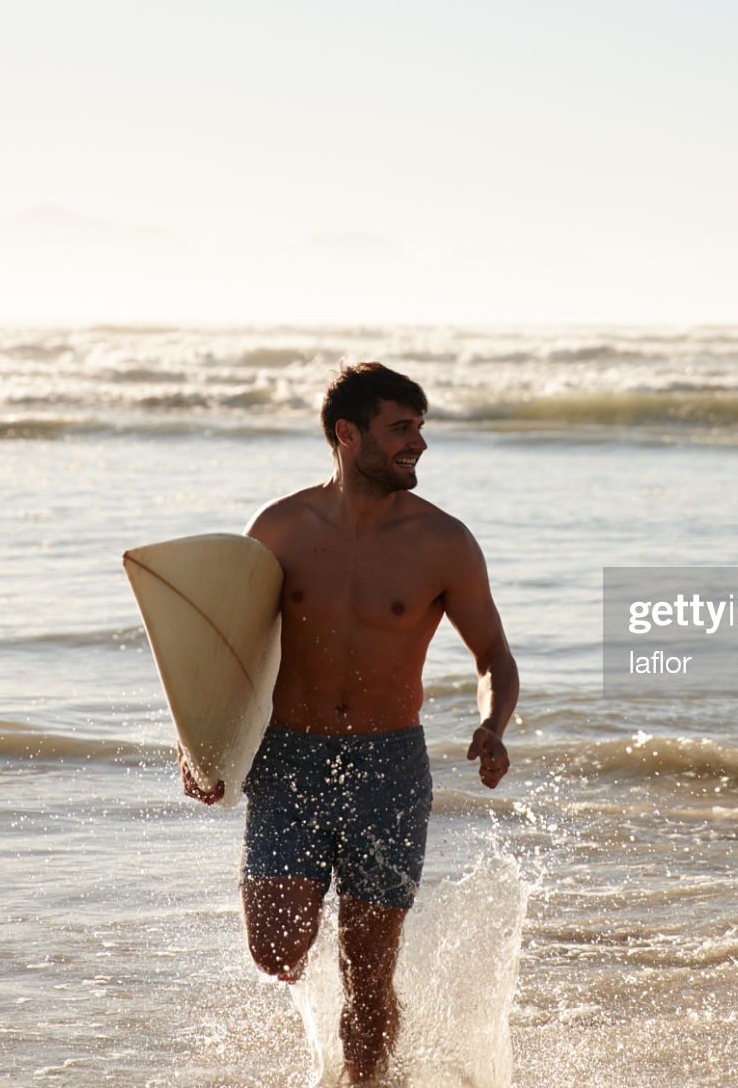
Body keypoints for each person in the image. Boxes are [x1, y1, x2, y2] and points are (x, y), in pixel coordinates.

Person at [181, 361, 520, 1083]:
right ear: (347, 432)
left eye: (421, 429)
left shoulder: (443, 542)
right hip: (288, 758)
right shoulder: (277, 527)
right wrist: (202, 745)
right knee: (276, 949)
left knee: (367, 973)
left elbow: (492, 651)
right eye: (401, 428)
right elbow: (228, 652)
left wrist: (494, 724)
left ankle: (365, 1077)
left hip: (389, 767)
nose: (418, 444)